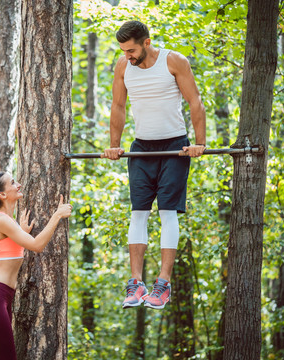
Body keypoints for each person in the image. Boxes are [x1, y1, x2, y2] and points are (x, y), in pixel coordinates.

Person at [102, 20, 206, 310]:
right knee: (138, 213)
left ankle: (163, 284)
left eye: (132, 50)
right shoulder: (124, 67)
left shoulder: (174, 61)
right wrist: (114, 144)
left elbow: (194, 101)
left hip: (175, 147)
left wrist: (200, 142)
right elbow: (118, 106)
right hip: (141, 148)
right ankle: (136, 284)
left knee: (168, 213)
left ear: (147, 43)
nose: (127, 56)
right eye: (123, 51)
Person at [0, 171, 72, 359]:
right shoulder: (1, 220)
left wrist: (21, 234)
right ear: (2, 194)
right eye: (13, 182)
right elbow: (37, 245)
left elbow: (11, 253)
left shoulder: (6, 221)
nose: (18, 184)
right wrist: (57, 215)